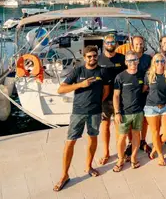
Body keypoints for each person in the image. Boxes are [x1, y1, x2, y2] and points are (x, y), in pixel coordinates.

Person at [53, 46, 108, 192]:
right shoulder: (78, 71)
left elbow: (106, 90)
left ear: (97, 56)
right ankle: (64, 175)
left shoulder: (102, 71)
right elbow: (61, 89)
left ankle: (89, 166)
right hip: (78, 112)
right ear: (84, 58)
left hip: (95, 112)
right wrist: (80, 84)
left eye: (94, 56)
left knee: (93, 139)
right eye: (89, 56)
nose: (92, 58)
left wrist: (98, 103)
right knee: (70, 142)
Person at [112, 51, 145, 172]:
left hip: (138, 112)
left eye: (135, 60)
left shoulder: (142, 75)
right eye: (130, 60)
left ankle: (133, 158)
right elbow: (116, 96)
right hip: (124, 113)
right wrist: (117, 112)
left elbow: (145, 89)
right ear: (126, 62)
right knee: (122, 138)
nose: (133, 63)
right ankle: (120, 159)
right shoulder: (120, 77)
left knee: (136, 135)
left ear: (138, 61)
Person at [97, 34, 126, 166]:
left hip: (120, 98)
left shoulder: (122, 58)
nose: (110, 44)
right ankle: (106, 152)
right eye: (107, 42)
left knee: (119, 127)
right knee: (105, 127)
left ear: (116, 43)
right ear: (104, 44)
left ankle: (121, 152)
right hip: (104, 99)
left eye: (112, 42)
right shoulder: (98, 59)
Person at [143, 53, 166, 166]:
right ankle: (160, 156)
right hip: (151, 108)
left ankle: (155, 148)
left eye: (162, 61)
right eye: (157, 61)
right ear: (153, 63)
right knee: (155, 132)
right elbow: (144, 89)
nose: (160, 63)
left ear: (165, 62)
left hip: (165, 106)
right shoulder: (149, 75)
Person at [131, 36, 151, 155]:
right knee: (132, 119)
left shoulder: (148, 58)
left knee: (144, 119)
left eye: (141, 44)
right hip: (131, 93)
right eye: (137, 44)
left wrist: (145, 86)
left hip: (145, 92)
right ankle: (132, 142)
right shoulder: (128, 58)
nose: (139, 46)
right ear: (132, 45)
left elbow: (150, 73)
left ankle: (143, 141)